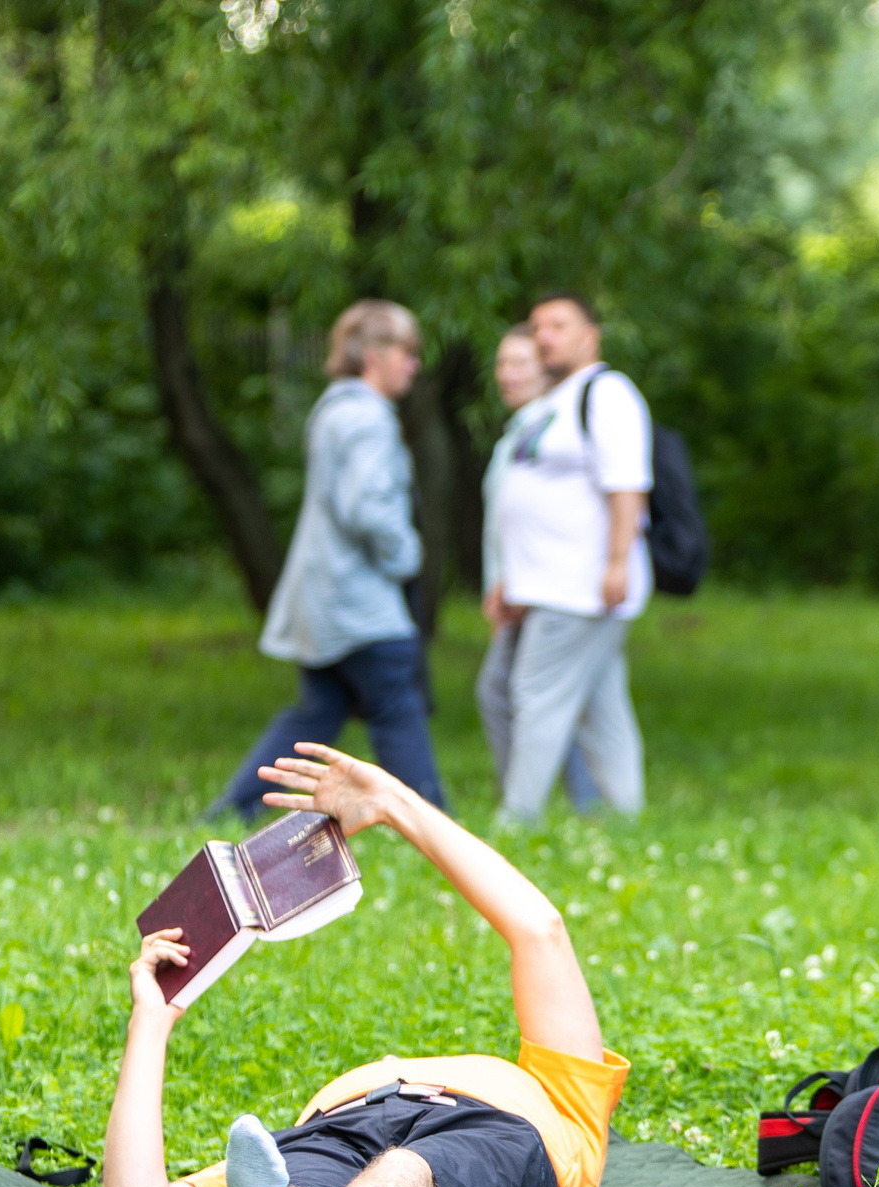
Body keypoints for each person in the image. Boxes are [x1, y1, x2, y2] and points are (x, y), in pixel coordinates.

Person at [107, 741, 622, 1187]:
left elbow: (539, 930)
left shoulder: (566, 1110)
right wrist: (151, 1018)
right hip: (333, 1125)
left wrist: (392, 802)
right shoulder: (283, 1154)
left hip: (487, 1123)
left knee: (403, 1176)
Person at [212, 300, 446, 824]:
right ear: (374, 353)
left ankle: (231, 812)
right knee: (397, 708)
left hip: (325, 602)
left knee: (316, 715)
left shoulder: (332, 410)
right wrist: (407, 555)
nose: (414, 364)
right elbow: (369, 508)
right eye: (407, 351)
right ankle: (435, 823)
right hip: (361, 603)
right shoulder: (367, 417)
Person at [487, 292, 651, 826]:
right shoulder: (556, 402)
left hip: (581, 583)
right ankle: (627, 816)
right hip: (546, 583)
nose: (545, 336)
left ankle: (519, 819)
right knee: (602, 708)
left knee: (533, 695)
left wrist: (617, 562)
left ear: (590, 335)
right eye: (537, 328)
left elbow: (626, 483)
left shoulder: (607, 393)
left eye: (559, 325)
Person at [475, 324, 602, 813]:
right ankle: (585, 807)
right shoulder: (521, 431)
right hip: (522, 587)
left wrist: (521, 581)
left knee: (519, 694)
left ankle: (525, 809)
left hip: (547, 588)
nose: (505, 374)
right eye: (501, 363)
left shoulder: (547, 432)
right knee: (553, 698)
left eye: (519, 363)